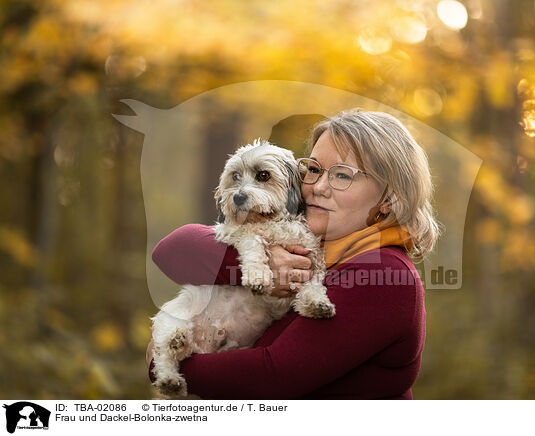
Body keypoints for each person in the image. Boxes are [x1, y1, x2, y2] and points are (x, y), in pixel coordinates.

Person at [146, 109, 440, 399]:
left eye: (342, 175)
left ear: (387, 200)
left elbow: (273, 377)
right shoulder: (317, 247)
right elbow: (173, 249)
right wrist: (261, 264)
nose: (317, 187)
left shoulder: (385, 275)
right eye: (313, 169)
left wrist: (167, 366)